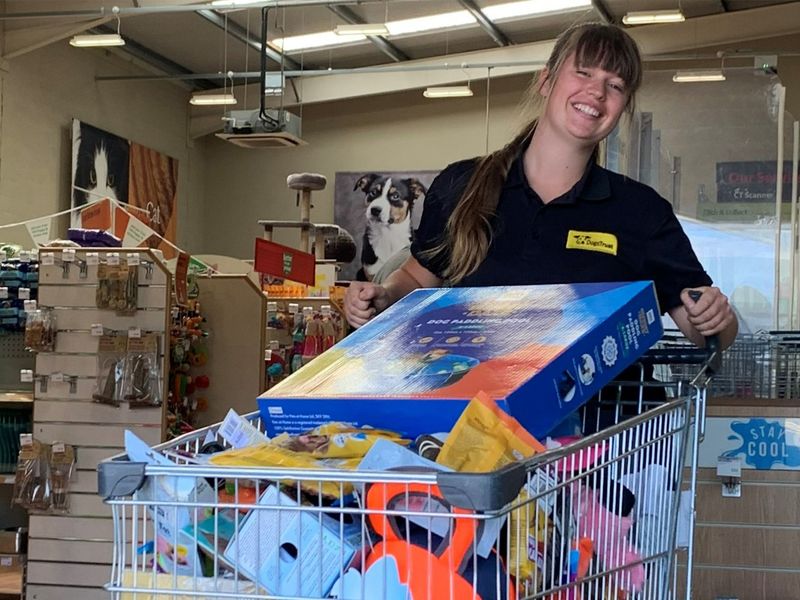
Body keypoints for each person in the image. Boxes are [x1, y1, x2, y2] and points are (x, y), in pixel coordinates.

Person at [344, 22, 738, 352]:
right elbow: (415, 278)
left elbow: (705, 327)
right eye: (583, 72)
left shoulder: (641, 211)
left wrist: (717, 319)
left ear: (622, 107)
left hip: (599, 432)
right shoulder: (461, 185)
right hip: (475, 419)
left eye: (615, 85)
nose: (597, 93)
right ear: (546, 81)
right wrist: (381, 298)